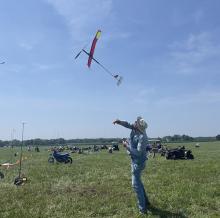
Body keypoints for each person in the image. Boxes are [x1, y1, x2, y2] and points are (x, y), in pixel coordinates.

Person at [113, 116, 150, 214]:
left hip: (138, 162)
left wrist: (127, 146)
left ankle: (143, 210)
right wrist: (119, 122)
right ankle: (146, 202)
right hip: (135, 160)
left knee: (135, 185)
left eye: (136, 122)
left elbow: (138, 152)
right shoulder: (135, 128)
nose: (134, 122)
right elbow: (128, 124)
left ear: (139, 127)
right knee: (138, 182)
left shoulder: (143, 137)